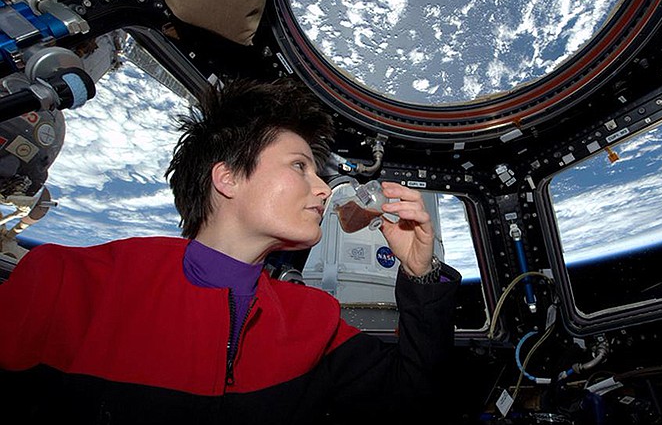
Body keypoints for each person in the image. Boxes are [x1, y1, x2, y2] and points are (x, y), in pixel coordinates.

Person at [0, 77, 460, 424]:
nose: (323, 188)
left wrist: (421, 272)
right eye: (300, 166)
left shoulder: (316, 321)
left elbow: (414, 401)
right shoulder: (64, 282)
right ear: (228, 178)